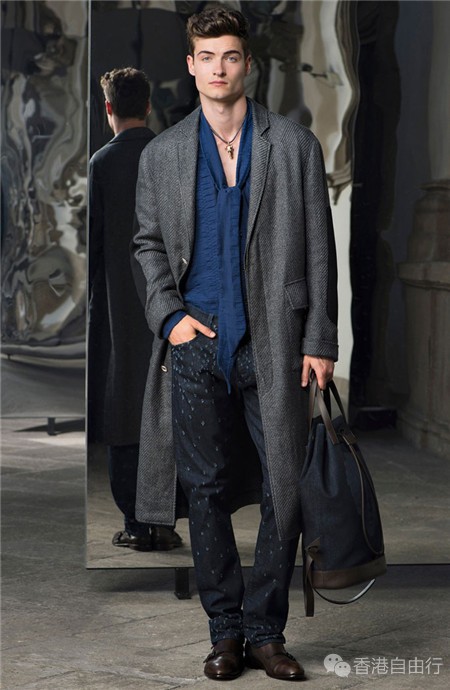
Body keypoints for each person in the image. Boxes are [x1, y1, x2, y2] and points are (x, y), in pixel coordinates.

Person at [133, 7, 338, 681]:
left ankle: (266, 632)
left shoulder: (294, 146)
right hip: (196, 344)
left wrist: (319, 339)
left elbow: (319, 248)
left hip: (275, 342)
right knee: (204, 488)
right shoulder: (162, 154)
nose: (218, 68)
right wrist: (169, 317)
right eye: (206, 56)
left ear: (248, 63)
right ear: (191, 66)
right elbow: (147, 245)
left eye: (230, 55)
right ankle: (224, 632)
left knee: (286, 485)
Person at [89, 67, 182, 552]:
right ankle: (166, 521)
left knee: (124, 410)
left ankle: (137, 523)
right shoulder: (172, 155)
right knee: (169, 410)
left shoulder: (102, 163)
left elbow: (93, 245)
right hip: (170, 304)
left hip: (118, 306)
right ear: (148, 106)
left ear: (108, 108)